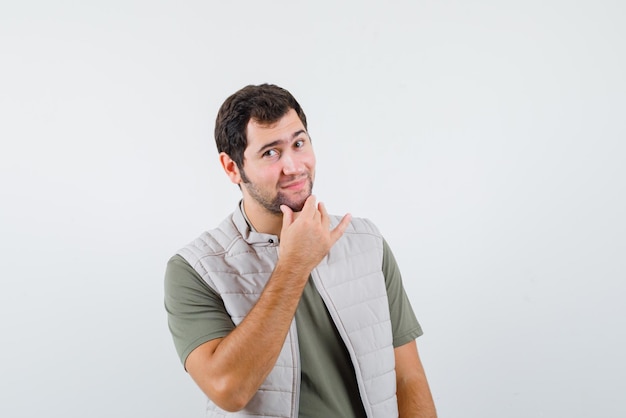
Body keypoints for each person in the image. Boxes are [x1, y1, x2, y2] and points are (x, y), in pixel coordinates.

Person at [164, 83, 437, 417]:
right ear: (232, 167)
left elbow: (408, 378)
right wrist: (293, 264)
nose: (293, 166)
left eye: (299, 143)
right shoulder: (195, 269)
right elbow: (228, 390)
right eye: (271, 153)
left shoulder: (367, 243)